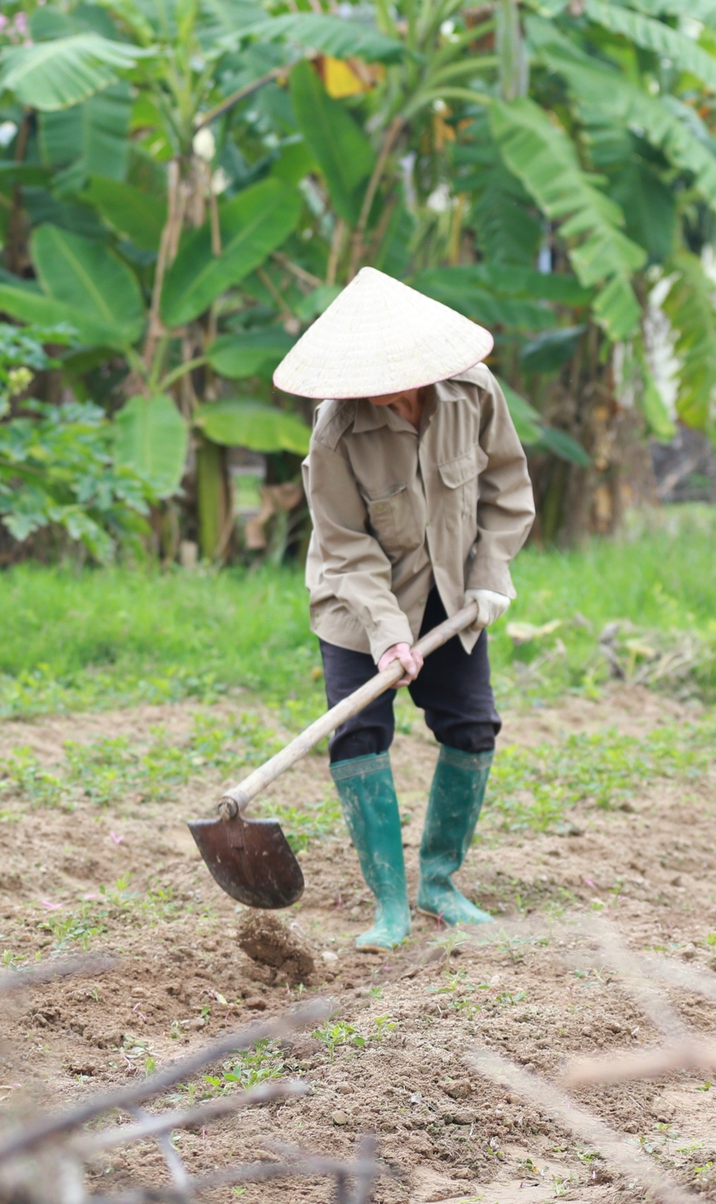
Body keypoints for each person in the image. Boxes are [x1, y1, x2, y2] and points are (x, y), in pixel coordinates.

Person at [272, 267, 537, 951]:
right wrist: (388, 637)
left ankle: (440, 883)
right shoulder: (334, 434)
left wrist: (490, 575)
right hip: (355, 601)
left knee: (473, 727)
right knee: (360, 736)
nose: (383, 391)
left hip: (452, 591)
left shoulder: (474, 393)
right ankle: (389, 905)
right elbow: (346, 547)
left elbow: (509, 489)